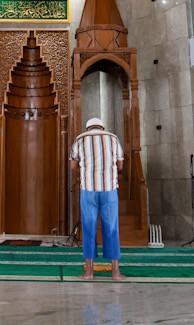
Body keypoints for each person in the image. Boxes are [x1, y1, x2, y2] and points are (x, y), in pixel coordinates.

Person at [70, 117, 125, 281]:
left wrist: (87, 170)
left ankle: (89, 273)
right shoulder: (113, 138)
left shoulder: (80, 139)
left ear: (88, 128)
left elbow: (73, 165)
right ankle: (116, 273)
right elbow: (120, 165)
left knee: (88, 228)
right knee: (112, 228)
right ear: (102, 127)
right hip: (109, 189)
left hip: (88, 190)